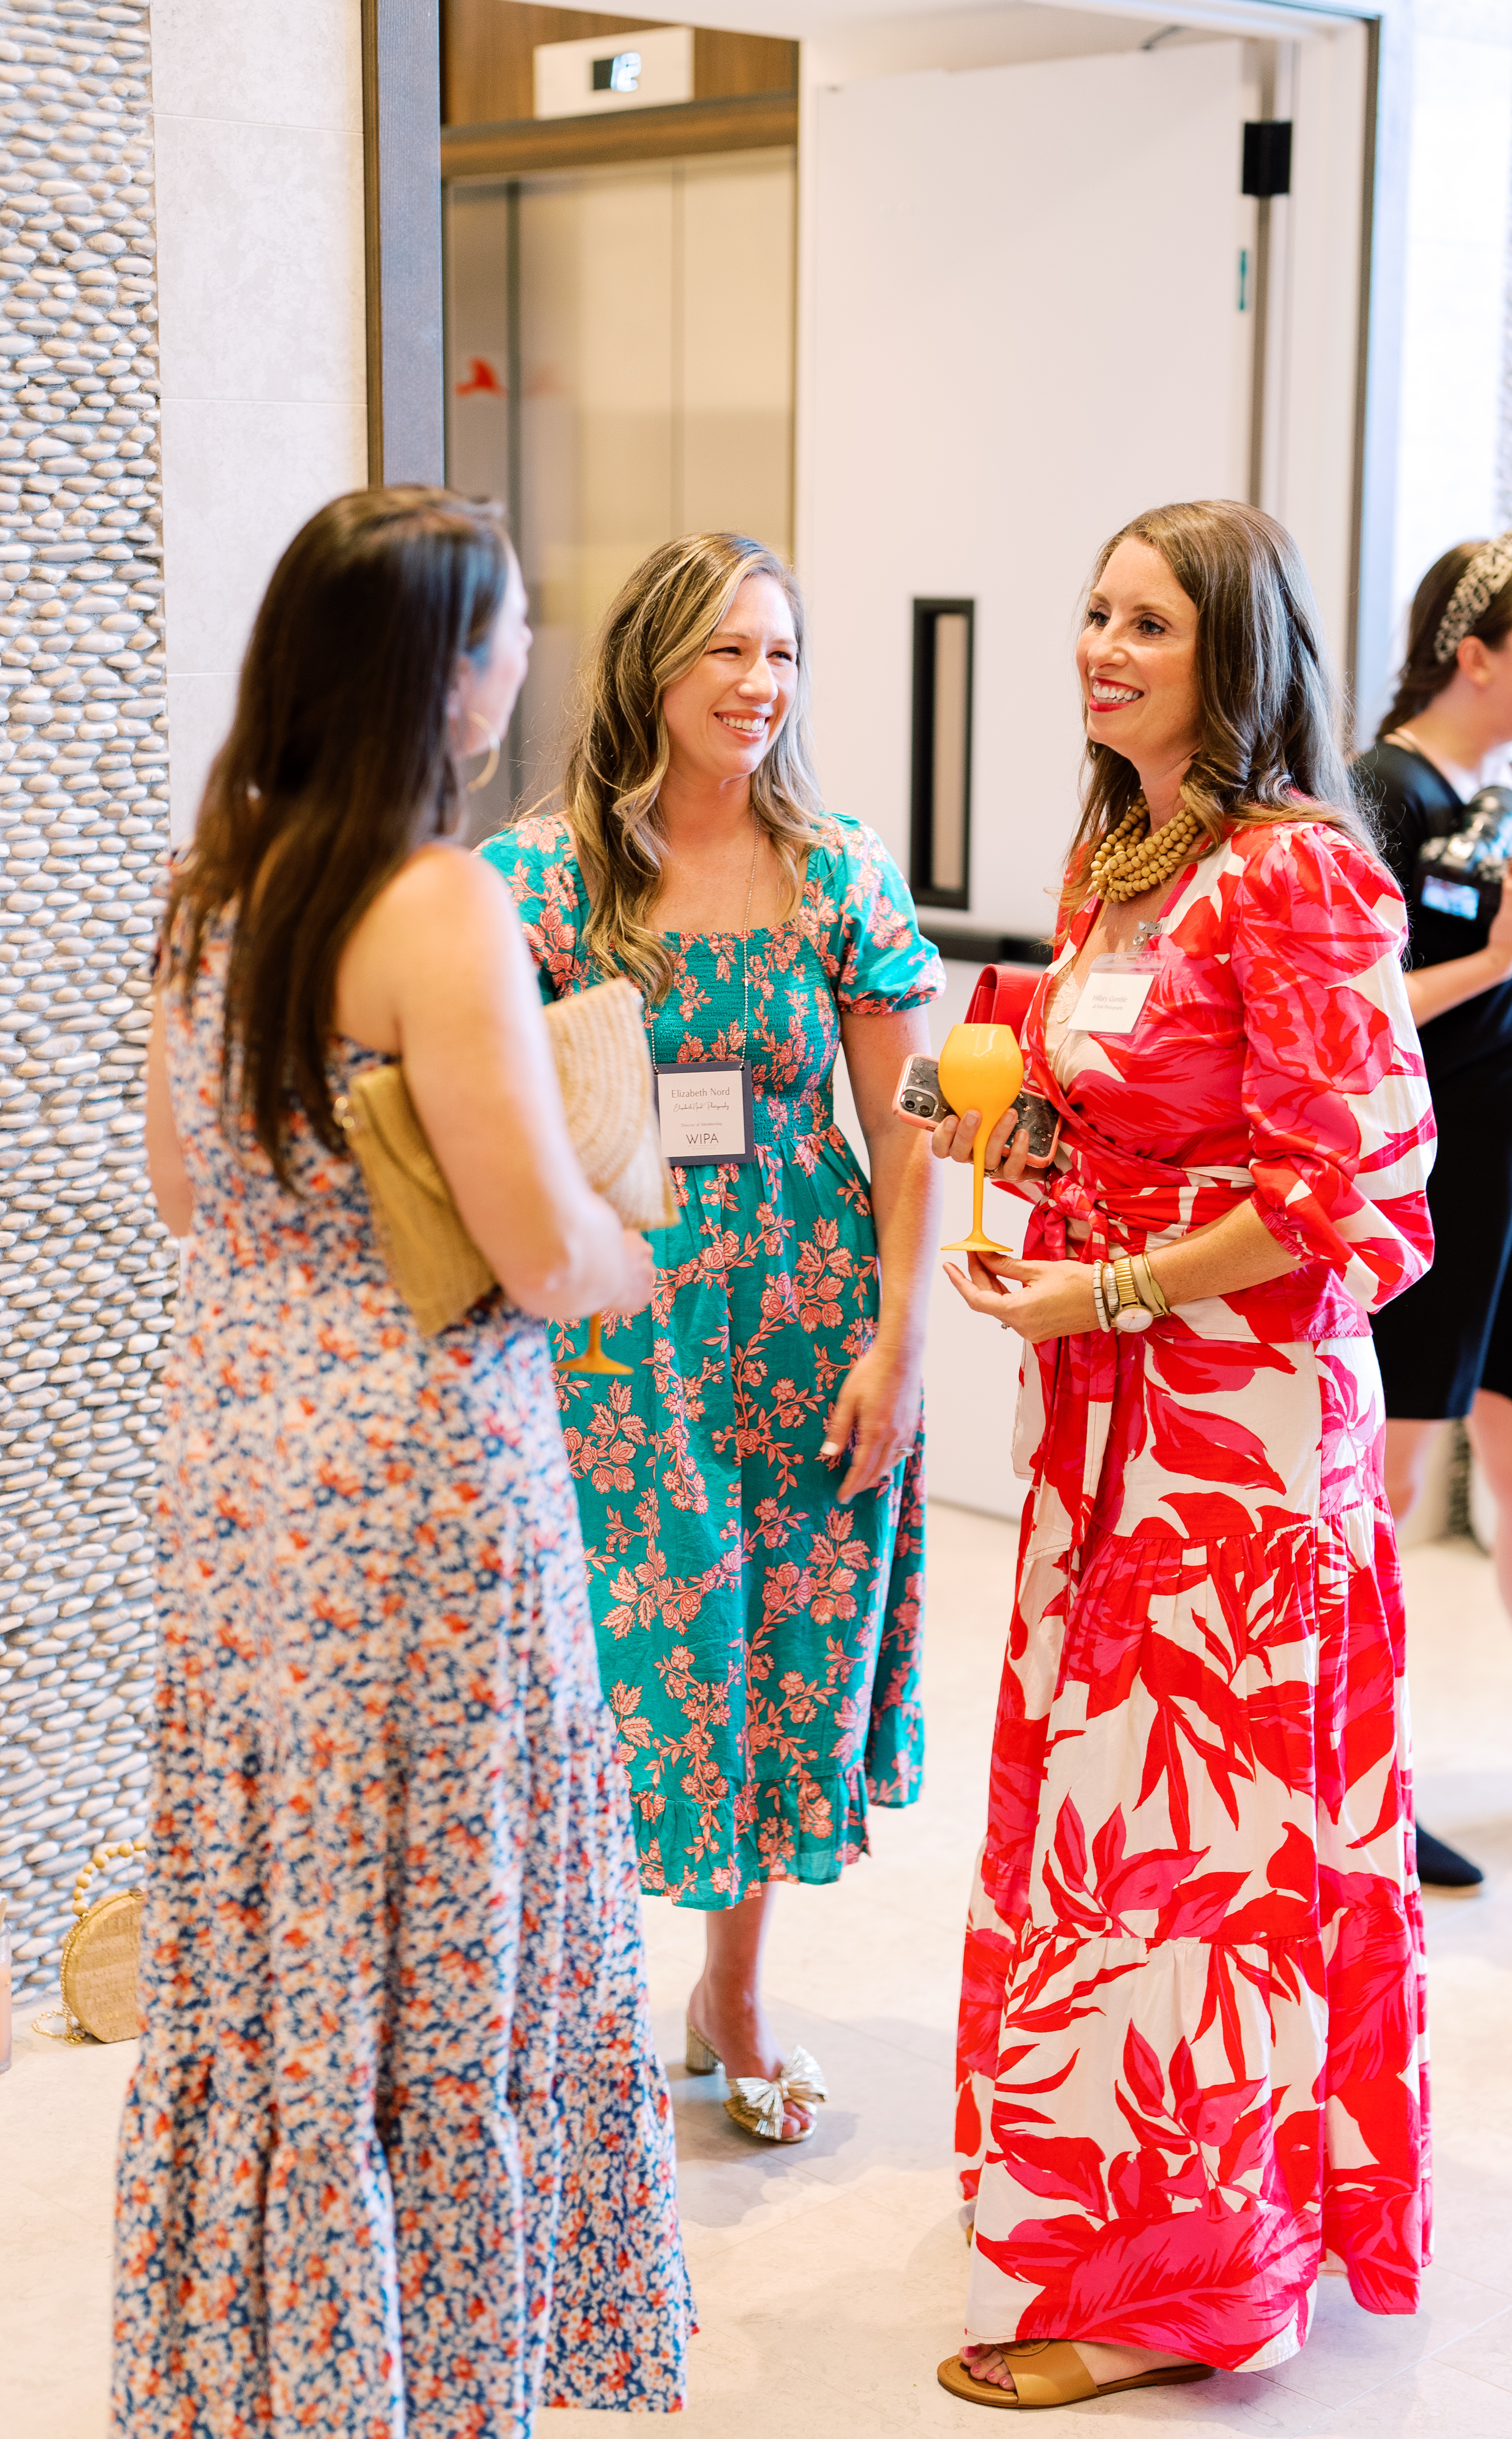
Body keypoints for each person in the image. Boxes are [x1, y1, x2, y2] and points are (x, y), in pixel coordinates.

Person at [113, 486, 693, 2439]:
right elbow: (540, 1251)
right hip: (424, 1470)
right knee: (449, 1924)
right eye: (512, 629)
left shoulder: (214, 881)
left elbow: (194, 1195)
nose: (528, 659)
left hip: (242, 1448)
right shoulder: (434, 902)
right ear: (446, 673)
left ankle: (316, 2410)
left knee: (294, 1918)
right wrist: (646, 1239)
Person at [934, 501, 1434, 2410]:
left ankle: (1186, 2289)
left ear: (1239, 652)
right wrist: (1034, 1191)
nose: (1100, 646)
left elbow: (1348, 1193)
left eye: (1149, 621)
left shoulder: (1294, 875)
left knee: (1196, 1856)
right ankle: (1091, 2209)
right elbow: (1123, 1114)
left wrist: (1117, 1287)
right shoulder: (1122, 859)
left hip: (1235, 1436)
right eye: (1093, 611)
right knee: (1100, 1818)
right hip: (1105, 1418)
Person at [484, 533, 941, 2144]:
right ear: (650, 668)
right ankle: (581, 1997)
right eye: (727, 653)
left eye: (783, 656)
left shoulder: (837, 869)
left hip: (812, 1312)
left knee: (774, 1658)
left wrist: (905, 1340)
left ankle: (732, 1993)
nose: (759, 687)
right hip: (621, 1328)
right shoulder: (534, 881)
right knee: (624, 1656)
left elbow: (906, 1131)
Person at [1355, 533, 1512, 1895]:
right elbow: (1351, 1011)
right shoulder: (1383, 794)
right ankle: (1373, 1785)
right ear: (1476, 656)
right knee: (1395, 1491)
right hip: (1440, 1177)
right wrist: (1487, 965)